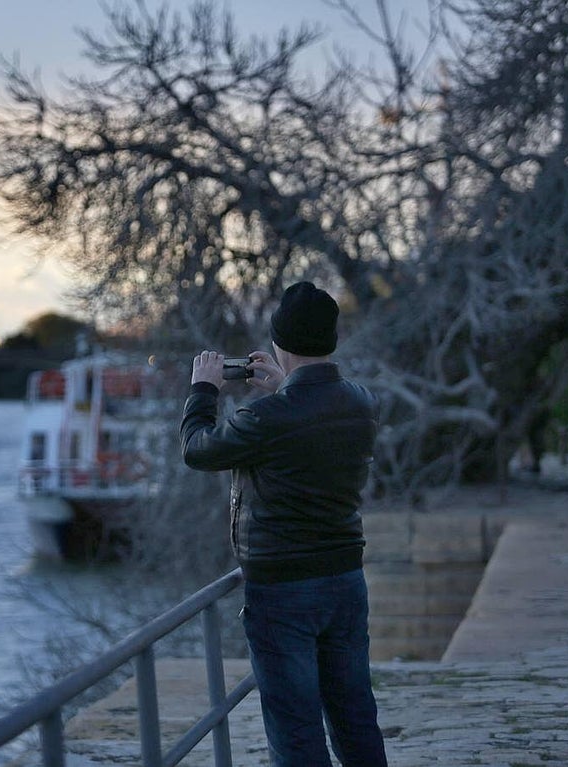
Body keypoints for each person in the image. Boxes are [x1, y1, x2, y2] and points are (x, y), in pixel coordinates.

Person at [180, 281, 388, 767]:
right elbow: (311, 419)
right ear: (330, 341)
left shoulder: (266, 417)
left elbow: (197, 449)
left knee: (295, 732)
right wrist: (285, 386)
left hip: (284, 591)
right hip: (345, 580)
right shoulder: (361, 402)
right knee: (355, 716)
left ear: (280, 341)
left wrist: (203, 389)